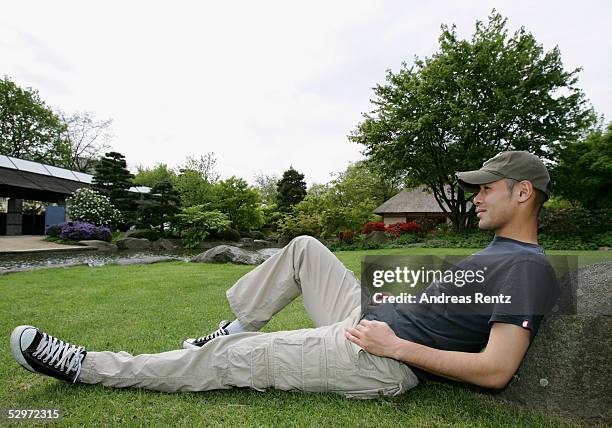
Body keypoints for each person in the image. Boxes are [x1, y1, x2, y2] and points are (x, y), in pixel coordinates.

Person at [10, 151, 559, 397]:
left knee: (226, 364)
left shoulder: (529, 269)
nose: (478, 196)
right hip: (363, 317)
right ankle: (238, 323)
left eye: (487, 187)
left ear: (523, 192)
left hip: (376, 356)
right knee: (304, 247)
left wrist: (394, 346)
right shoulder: (496, 250)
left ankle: (90, 368)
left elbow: (495, 371)